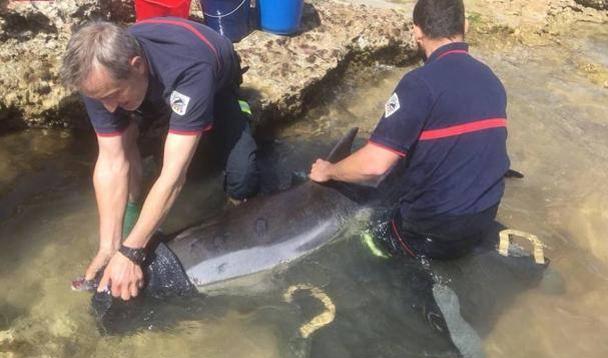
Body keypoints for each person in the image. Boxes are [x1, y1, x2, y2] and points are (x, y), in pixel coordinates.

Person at [60, 17, 259, 301]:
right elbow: (112, 160)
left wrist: (131, 252)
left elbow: (174, 174)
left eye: (113, 95)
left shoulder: (189, 69)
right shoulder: (98, 78)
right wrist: (109, 246)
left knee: (244, 175)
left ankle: (238, 111)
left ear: (136, 65)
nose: (108, 107)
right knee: (128, 146)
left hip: (213, 83)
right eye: (100, 99)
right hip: (148, 89)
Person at [309, 0, 510, 260]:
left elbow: (374, 166)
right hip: (486, 212)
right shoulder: (491, 79)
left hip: (433, 229)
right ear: (466, 26)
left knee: (371, 243)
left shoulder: (419, 84)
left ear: (416, 32)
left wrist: (330, 170)